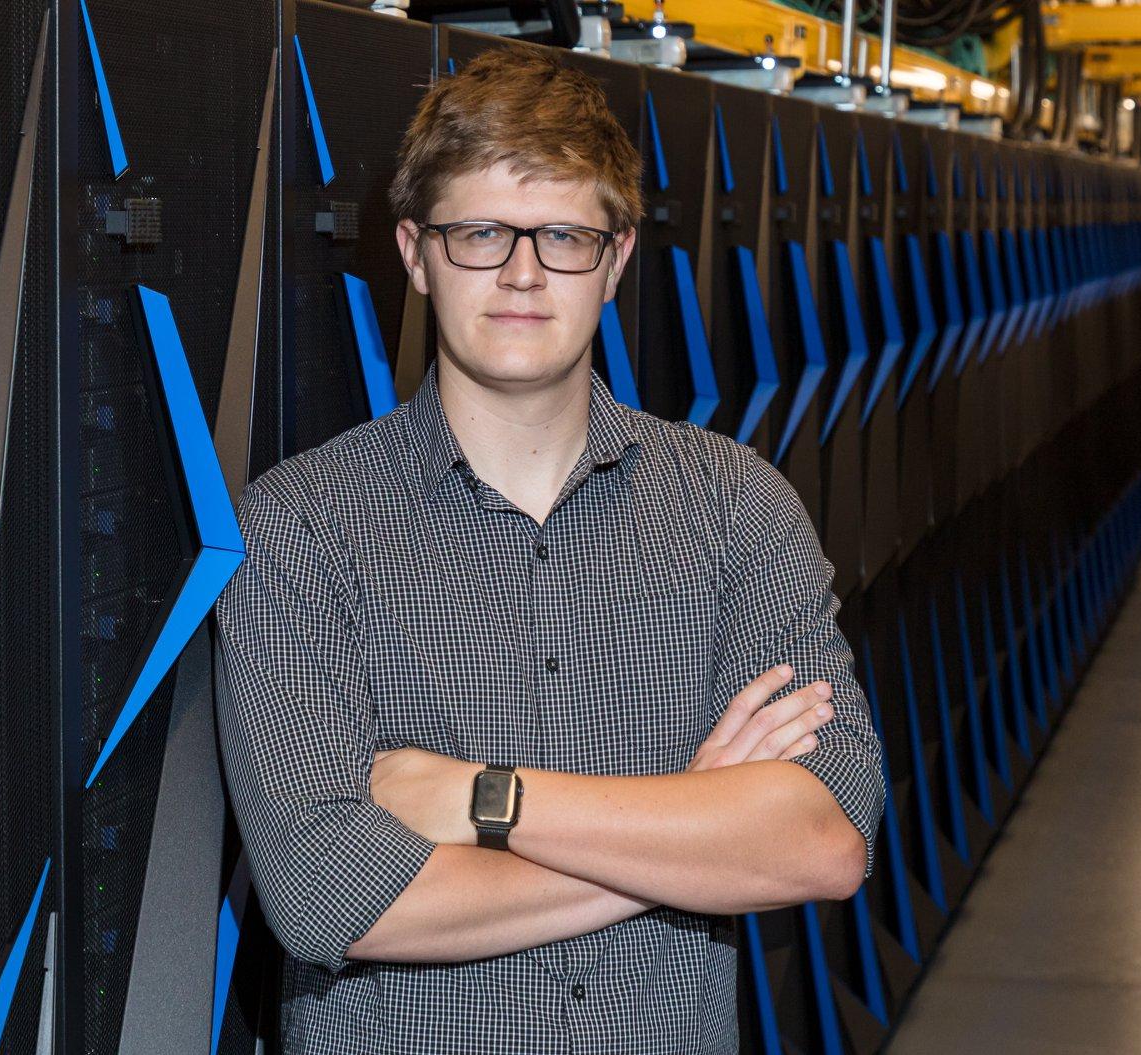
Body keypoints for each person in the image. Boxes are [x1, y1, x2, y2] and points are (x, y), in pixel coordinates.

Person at [210, 46, 887, 1054]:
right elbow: (328, 897)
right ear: (415, 253)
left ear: (614, 261)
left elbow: (823, 838)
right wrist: (690, 832)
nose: (523, 273)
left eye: (564, 236)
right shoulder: (301, 527)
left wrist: (485, 798)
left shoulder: (736, 506)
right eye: (481, 233)